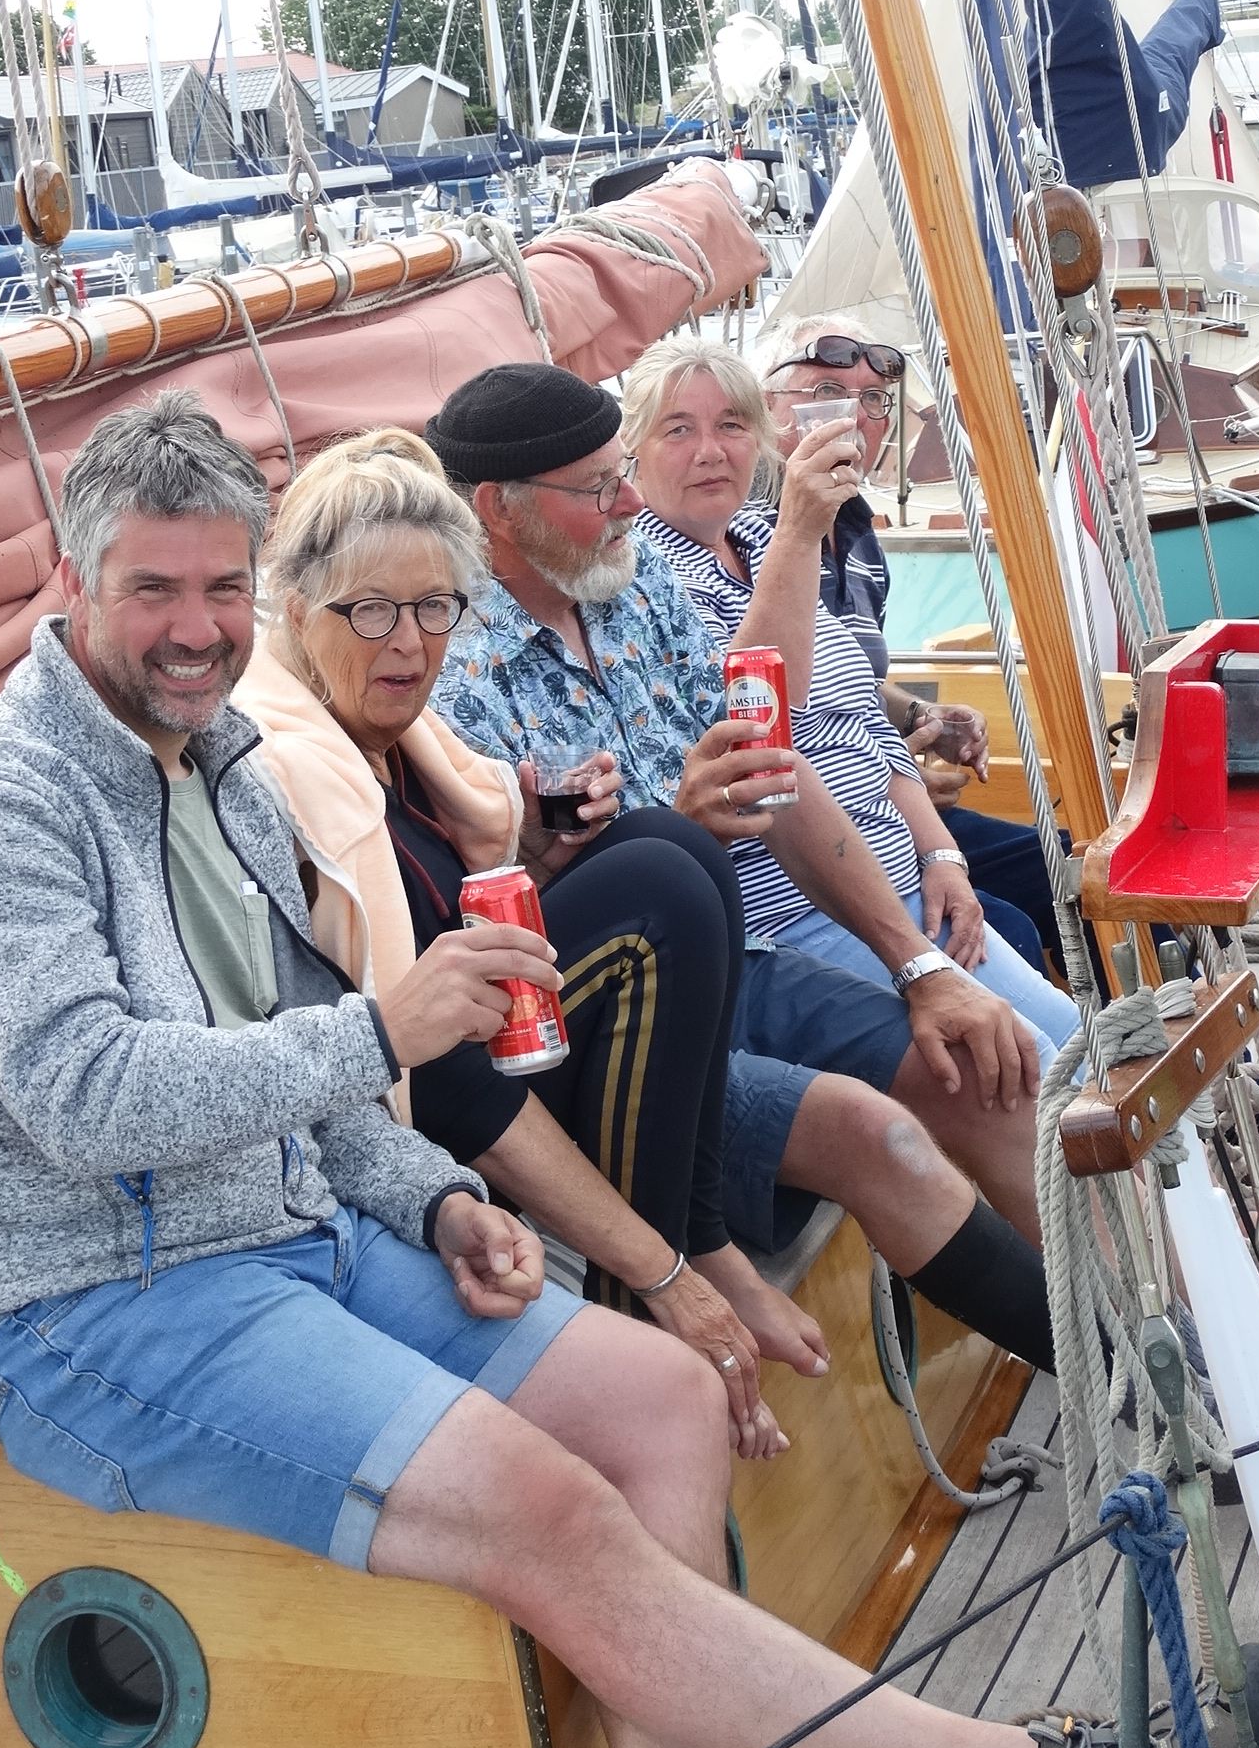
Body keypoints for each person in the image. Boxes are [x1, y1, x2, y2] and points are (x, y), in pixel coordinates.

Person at [0, 389, 1259, 1748]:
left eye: (216, 589)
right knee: (549, 1508)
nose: (194, 630)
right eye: (152, 590)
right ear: (72, 583)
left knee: (663, 1401)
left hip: (302, 1234)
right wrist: (386, 1030)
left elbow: (313, 1076)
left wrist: (436, 1199)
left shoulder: (225, 767)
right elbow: (87, 1098)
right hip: (100, 1306)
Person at [426, 362, 1060, 1333]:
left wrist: (922, 967)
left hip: (744, 959)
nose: (630, 502)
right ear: (496, 511)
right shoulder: (448, 672)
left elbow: (772, 769)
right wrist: (675, 824)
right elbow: (518, 939)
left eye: (620, 475)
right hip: (619, 1028)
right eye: (598, 488)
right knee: (890, 1130)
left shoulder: (634, 586)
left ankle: (1150, 1371)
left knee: (991, 1067)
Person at [237, 426, 787, 1458]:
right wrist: (671, 1281)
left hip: (474, 1060)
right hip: (409, 1118)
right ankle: (653, 1289)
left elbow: (448, 916)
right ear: (299, 613)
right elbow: (432, 1074)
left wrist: (535, 848)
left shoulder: (403, 744)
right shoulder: (284, 778)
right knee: (660, 887)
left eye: (435, 607)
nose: (410, 644)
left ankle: (692, 1241)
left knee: (672, 847)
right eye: (371, 611)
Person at [624, 337, 1077, 1074]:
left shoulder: (758, 538)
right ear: (632, 453)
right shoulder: (646, 581)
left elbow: (862, 717)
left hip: (904, 884)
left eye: (730, 425)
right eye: (678, 429)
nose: (710, 450)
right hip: (802, 910)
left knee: (1079, 1041)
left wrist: (942, 857)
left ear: (757, 439)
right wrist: (802, 530)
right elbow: (762, 715)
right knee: (1038, 1063)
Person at [756, 314, 1071, 975]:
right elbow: (765, 704)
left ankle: (1149, 1020)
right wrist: (896, 777)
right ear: (765, 404)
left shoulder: (860, 536)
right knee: (1011, 924)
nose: (852, 416)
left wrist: (921, 716)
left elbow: (848, 682)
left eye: (873, 400)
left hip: (889, 800)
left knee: (1074, 867)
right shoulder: (751, 539)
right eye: (825, 391)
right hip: (823, 831)